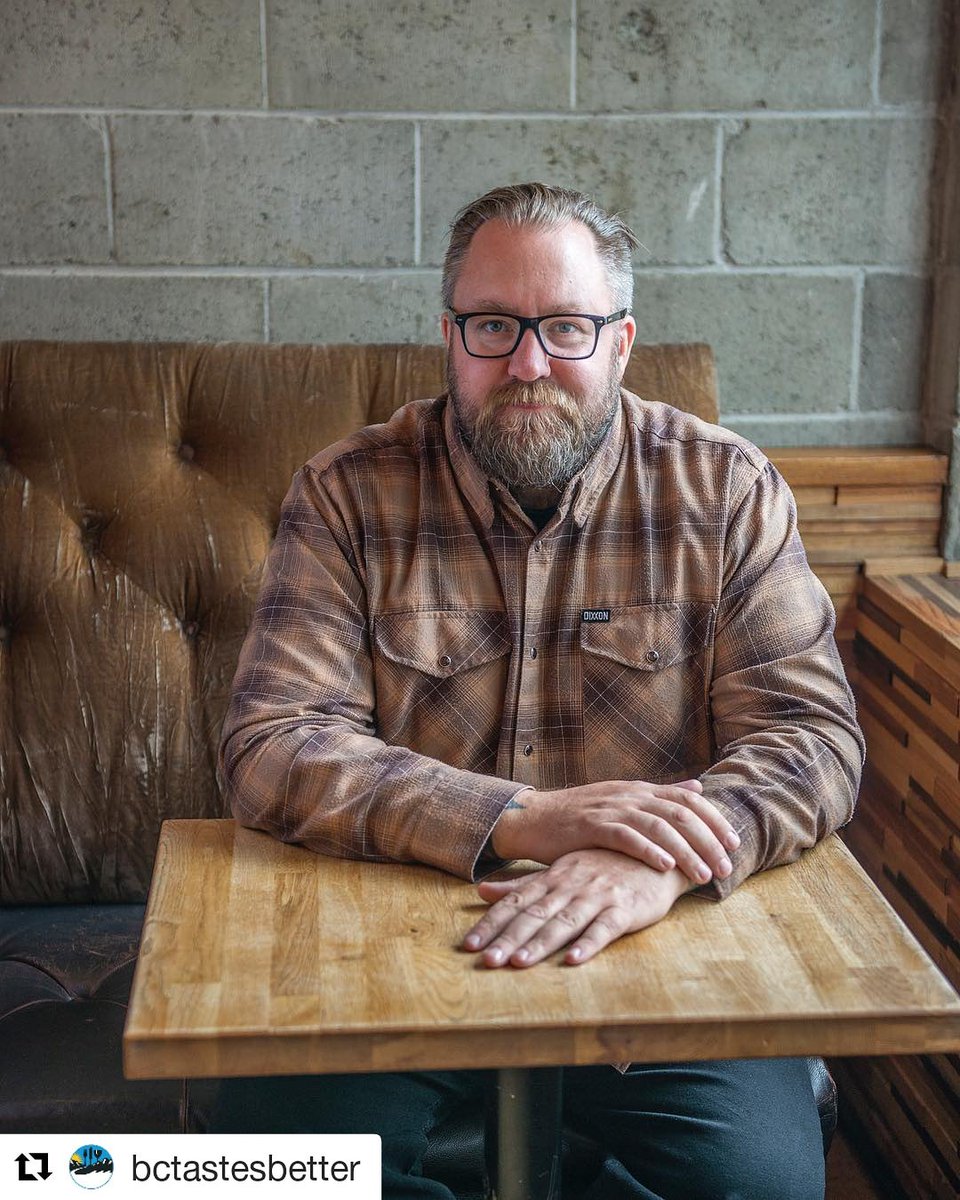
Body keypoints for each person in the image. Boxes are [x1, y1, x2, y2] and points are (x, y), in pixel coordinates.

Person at [216, 182, 864, 1198]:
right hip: (395, 947)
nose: (527, 362)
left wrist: (667, 860)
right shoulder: (347, 493)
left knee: (763, 1187)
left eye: (565, 327)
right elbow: (273, 745)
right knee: (272, 1176)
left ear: (620, 342)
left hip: (661, 951)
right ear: (450, 337)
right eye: (492, 327)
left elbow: (812, 739)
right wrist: (524, 819)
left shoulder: (727, 491)